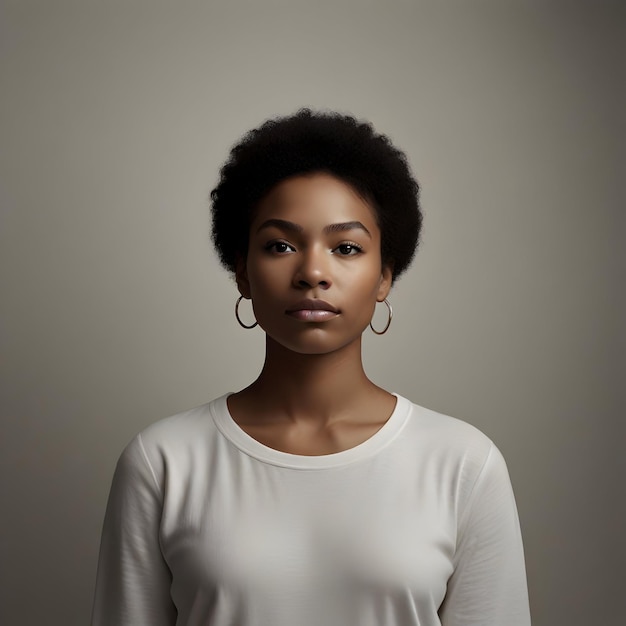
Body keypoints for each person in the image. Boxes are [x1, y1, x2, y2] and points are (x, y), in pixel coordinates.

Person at [91, 109, 531, 625]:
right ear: (243, 273)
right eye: (280, 245)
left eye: (346, 247)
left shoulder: (462, 466)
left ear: (385, 276)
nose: (312, 272)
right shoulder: (163, 462)